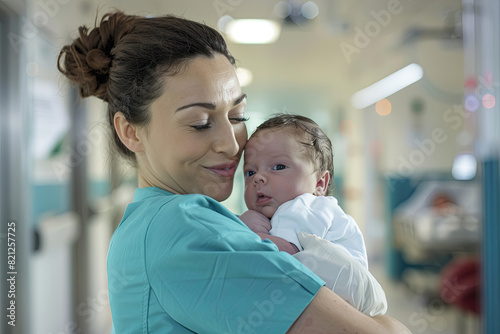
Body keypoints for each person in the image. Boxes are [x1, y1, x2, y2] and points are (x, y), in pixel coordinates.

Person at [58, 10, 410, 333]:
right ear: (131, 132)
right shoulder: (184, 228)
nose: (232, 143)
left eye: (238, 117)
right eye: (199, 123)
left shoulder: (149, 220)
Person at [240, 114, 387, 316]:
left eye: (278, 167)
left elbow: (281, 254)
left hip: (348, 298)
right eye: (250, 172)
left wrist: (244, 229)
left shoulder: (304, 206)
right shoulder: (289, 213)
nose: (258, 178)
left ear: (319, 184)